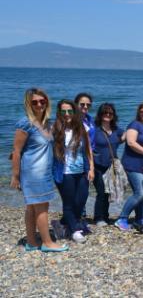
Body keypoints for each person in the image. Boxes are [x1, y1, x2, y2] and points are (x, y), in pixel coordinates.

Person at [11, 88, 69, 252]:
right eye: (34, 102)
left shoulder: (47, 123)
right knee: (42, 207)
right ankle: (47, 243)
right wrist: (15, 176)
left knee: (32, 207)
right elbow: (16, 151)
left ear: (47, 102)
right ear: (29, 104)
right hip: (32, 173)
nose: (39, 104)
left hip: (44, 172)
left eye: (42, 101)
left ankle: (32, 242)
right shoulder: (25, 123)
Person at [52, 99, 95, 243]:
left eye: (69, 111)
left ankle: (63, 223)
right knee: (69, 203)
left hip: (82, 171)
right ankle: (75, 230)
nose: (66, 114)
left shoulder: (81, 127)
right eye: (63, 111)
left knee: (81, 200)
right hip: (64, 172)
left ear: (74, 112)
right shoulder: (55, 128)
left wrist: (91, 168)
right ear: (59, 112)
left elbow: (88, 150)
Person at [115, 102, 143, 231]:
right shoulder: (134, 125)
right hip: (133, 164)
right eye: (142, 112)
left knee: (142, 193)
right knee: (139, 192)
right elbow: (130, 142)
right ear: (138, 113)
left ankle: (139, 218)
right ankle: (122, 218)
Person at [92, 103, 125, 226]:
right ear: (100, 115)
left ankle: (105, 216)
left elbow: (128, 136)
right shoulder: (94, 130)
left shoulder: (117, 130)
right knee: (102, 191)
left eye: (110, 113)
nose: (107, 115)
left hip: (111, 167)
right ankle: (99, 217)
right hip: (97, 165)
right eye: (105, 113)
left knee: (108, 192)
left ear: (113, 115)